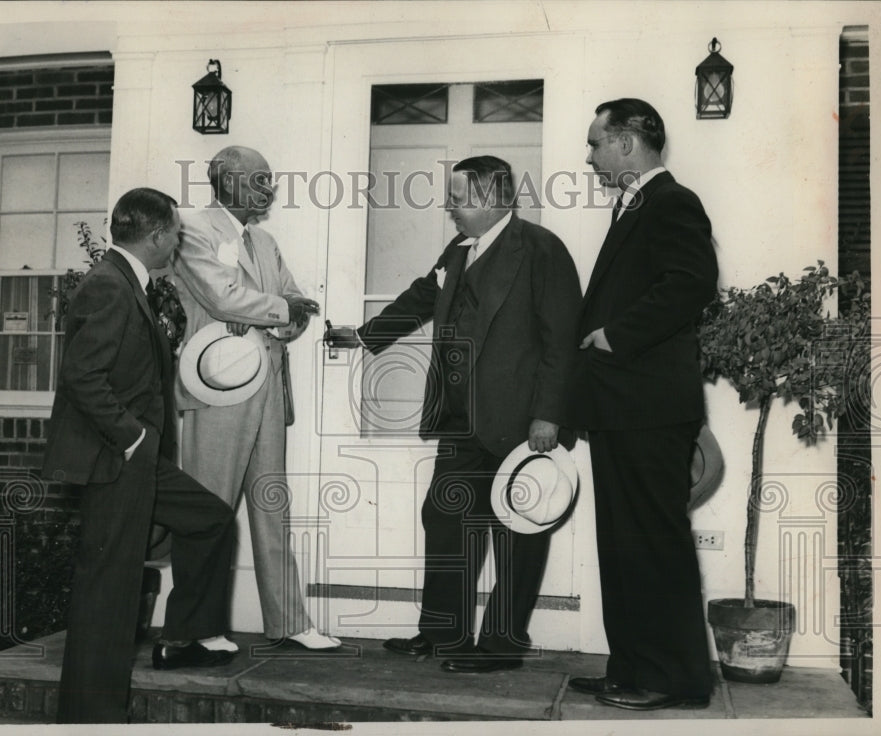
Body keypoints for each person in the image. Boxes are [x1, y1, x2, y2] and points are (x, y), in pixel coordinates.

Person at [326, 155, 581, 673]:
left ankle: (502, 646)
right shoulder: (460, 248)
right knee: (445, 519)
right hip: (459, 419)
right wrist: (367, 334)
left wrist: (548, 414)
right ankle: (442, 633)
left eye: (459, 198)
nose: (451, 207)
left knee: (517, 533)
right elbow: (425, 293)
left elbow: (563, 341)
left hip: (520, 422)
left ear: (492, 198)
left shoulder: (541, 248)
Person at [43, 188, 237, 724]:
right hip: (118, 458)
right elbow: (83, 376)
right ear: (155, 236)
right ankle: (89, 718)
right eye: (175, 232)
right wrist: (132, 438)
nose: (178, 240)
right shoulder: (108, 286)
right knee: (108, 592)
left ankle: (189, 635)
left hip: (139, 457)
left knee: (211, 520)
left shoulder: (129, 281)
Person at [563, 98, 718, 710]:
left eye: (596, 143)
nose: (591, 156)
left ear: (627, 143)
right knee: (625, 545)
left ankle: (674, 679)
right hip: (623, 407)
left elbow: (690, 283)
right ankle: (631, 669)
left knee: (654, 543)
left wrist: (614, 335)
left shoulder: (672, 202)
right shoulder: (636, 207)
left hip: (649, 407)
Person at [172, 145, 340, 651]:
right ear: (227, 181)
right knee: (208, 511)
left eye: (271, 179)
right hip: (218, 388)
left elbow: (298, 308)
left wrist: (274, 312)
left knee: (273, 508)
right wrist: (276, 307)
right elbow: (222, 297)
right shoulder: (194, 230)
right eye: (260, 179)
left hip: (269, 389)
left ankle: (289, 623)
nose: (270, 188)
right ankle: (199, 630)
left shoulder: (264, 241)